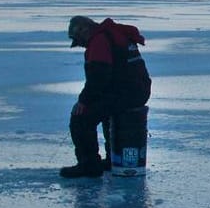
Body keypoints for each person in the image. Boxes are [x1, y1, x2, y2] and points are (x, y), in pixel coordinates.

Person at [60, 15, 152, 178]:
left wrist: (83, 101)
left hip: (127, 93)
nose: (81, 45)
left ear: (84, 30)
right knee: (105, 111)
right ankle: (112, 158)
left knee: (81, 118)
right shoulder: (115, 34)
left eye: (79, 40)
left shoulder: (99, 41)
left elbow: (99, 77)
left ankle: (88, 165)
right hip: (138, 90)